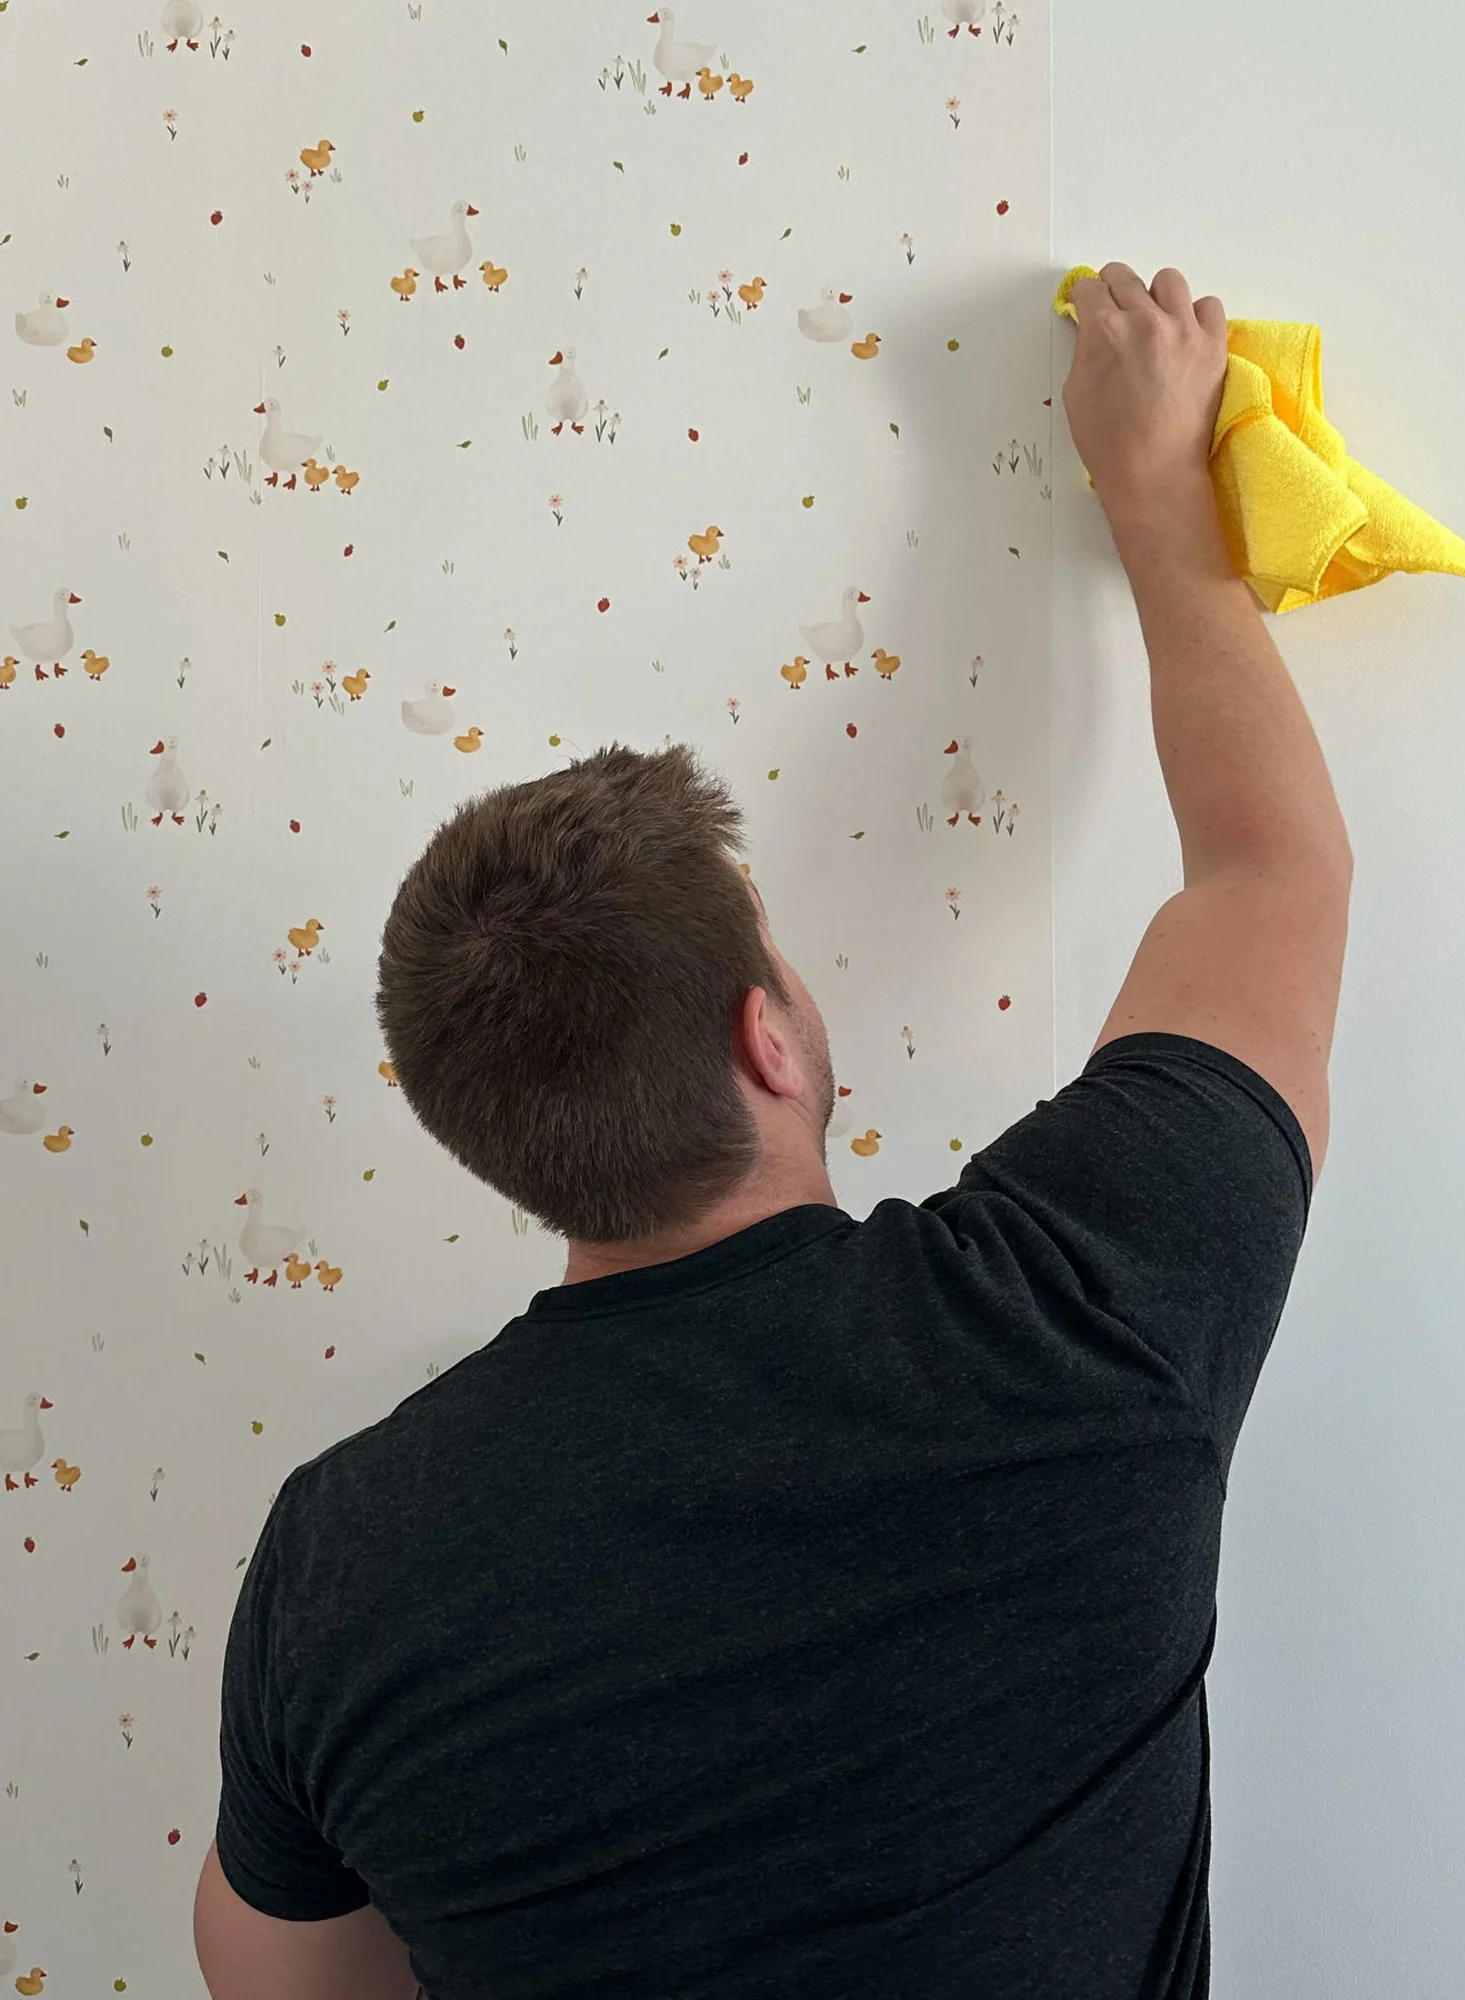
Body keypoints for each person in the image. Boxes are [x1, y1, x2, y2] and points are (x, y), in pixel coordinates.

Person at [211, 263, 1353, 2000]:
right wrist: (1157, 492)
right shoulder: (1070, 1312)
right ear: (769, 1035)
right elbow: (1271, 874)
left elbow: (279, 1982)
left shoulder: (340, 1560)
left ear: (488, 1132)